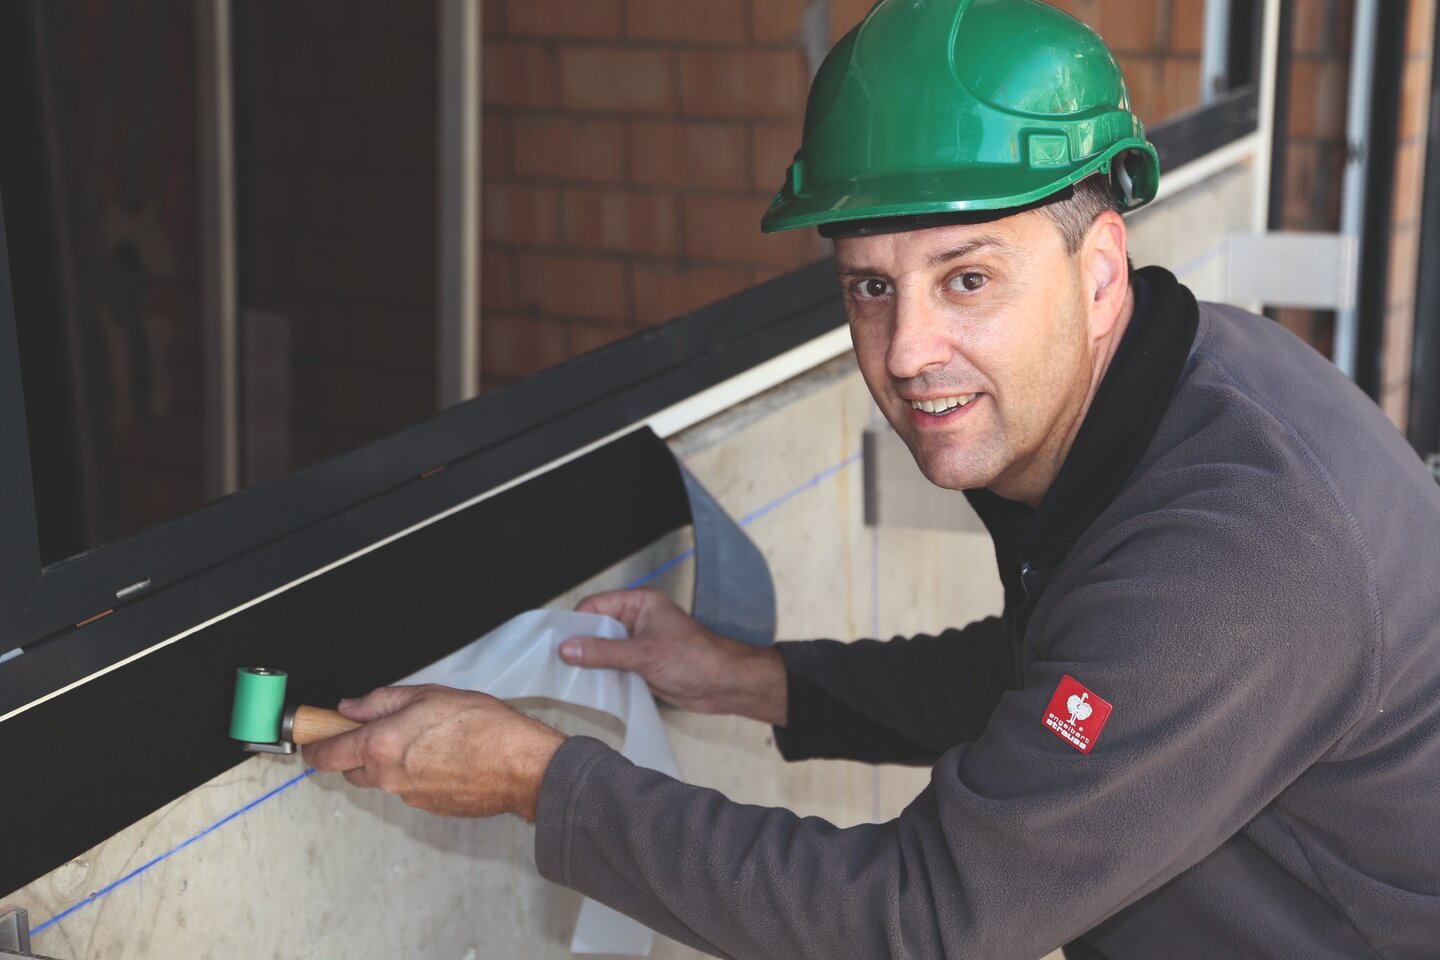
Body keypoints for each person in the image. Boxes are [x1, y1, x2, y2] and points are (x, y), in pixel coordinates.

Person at [305, 1, 1440, 956]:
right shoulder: (1186, 383)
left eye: (968, 279)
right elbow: (1068, 682)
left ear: (1098, 274)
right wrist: (752, 679)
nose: (903, 353)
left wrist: (543, 781)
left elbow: (924, 917)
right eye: (869, 289)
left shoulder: (1236, 557)